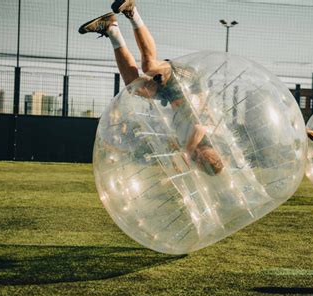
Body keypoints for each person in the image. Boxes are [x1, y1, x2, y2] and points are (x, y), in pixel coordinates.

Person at [79, 0, 224, 175]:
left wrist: (178, 149)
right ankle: (132, 11)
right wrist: (186, 151)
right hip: (189, 84)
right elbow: (199, 128)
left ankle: (111, 29)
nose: (201, 160)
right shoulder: (215, 140)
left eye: (202, 164)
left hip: (172, 96)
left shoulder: (194, 153)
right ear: (215, 156)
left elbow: (182, 132)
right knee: (150, 66)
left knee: (134, 85)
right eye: (206, 160)